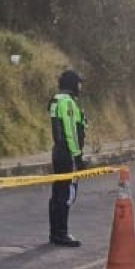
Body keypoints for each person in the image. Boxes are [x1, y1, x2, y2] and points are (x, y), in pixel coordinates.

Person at [48, 70, 88, 247]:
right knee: (66, 194)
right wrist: (77, 155)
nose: (81, 87)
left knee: (58, 192)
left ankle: (55, 232)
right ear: (73, 84)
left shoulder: (57, 100)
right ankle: (61, 233)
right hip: (68, 154)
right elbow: (71, 132)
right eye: (79, 83)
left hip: (58, 152)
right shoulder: (68, 103)